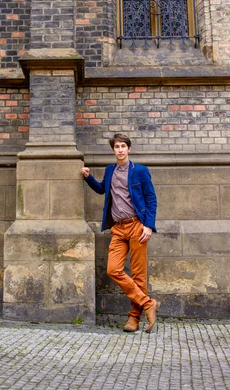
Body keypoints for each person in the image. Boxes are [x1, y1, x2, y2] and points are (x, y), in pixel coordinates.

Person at [81, 132, 159, 333]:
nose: (120, 150)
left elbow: (151, 199)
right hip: (118, 228)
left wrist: (148, 226)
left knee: (139, 275)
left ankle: (134, 318)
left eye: (124, 146)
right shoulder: (110, 170)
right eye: (117, 147)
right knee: (113, 269)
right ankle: (147, 303)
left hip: (136, 226)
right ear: (113, 150)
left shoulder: (139, 171)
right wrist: (88, 178)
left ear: (129, 149)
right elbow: (101, 189)